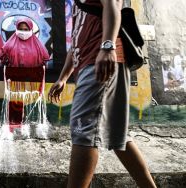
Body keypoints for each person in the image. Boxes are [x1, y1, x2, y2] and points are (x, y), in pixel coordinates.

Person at [48, 0, 157, 187]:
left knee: (83, 129)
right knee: (117, 134)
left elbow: (113, 6)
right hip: (89, 62)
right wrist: (63, 77)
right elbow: (76, 39)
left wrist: (107, 47)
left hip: (100, 61)